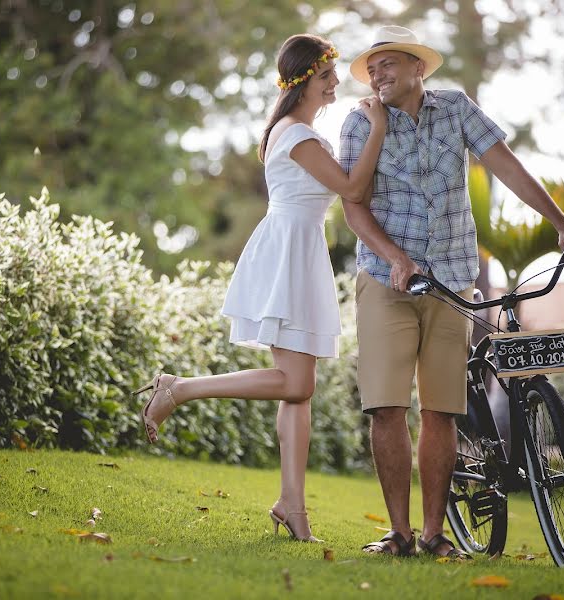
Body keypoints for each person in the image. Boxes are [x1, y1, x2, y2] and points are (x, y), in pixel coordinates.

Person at [339, 26, 564, 558]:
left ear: (418, 68)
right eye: (372, 67)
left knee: (442, 410)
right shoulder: (359, 123)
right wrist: (397, 258)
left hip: (452, 282)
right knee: (386, 407)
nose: (378, 74)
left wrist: (561, 223)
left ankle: (433, 535)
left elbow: (506, 164)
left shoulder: (455, 108)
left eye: (389, 64)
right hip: (388, 281)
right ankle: (399, 535)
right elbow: (353, 207)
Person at [134, 34, 387, 543]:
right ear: (304, 81)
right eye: (326, 76)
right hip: (288, 252)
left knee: (298, 392)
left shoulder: (297, 132)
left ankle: (293, 506)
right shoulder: (297, 135)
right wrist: (378, 126)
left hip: (298, 248)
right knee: (296, 383)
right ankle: (179, 389)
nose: (335, 83)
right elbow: (355, 188)